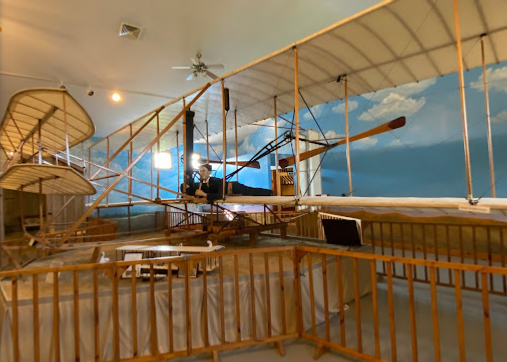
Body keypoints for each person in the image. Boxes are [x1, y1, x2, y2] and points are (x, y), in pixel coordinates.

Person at [183, 163, 273, 203]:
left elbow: (220, 195)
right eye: (200, 171)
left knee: (251, 192)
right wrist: (186, 187)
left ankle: (270, 193)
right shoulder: (200, 184)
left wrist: (204, 194)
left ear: (209, 172)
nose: (201, 173)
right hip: (228, 190)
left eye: (203, 170)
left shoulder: (216, 181)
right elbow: (189, 190)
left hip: (233, 187)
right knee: (250, 191)